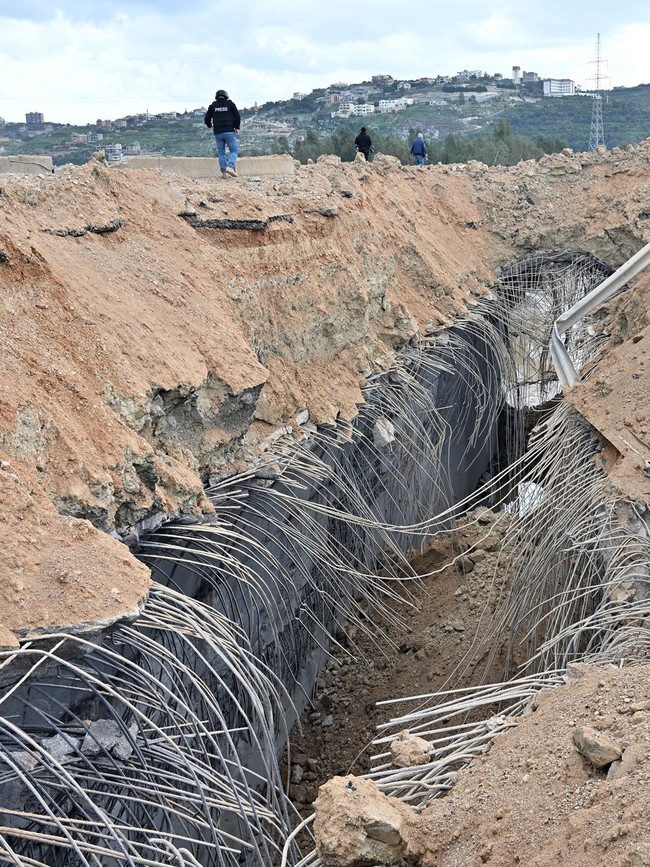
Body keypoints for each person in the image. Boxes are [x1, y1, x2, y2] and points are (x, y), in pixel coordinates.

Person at [204, 89, 241, 178]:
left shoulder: (213, 106)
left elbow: (206, 119)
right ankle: (231, 167)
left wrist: (210, 125)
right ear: (226, 96)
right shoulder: (230, 104)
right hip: (229, 132)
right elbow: (237, 116)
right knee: (234, 150)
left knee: (221, 153)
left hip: (218, 133)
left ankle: (224, 172)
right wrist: (237, 127)